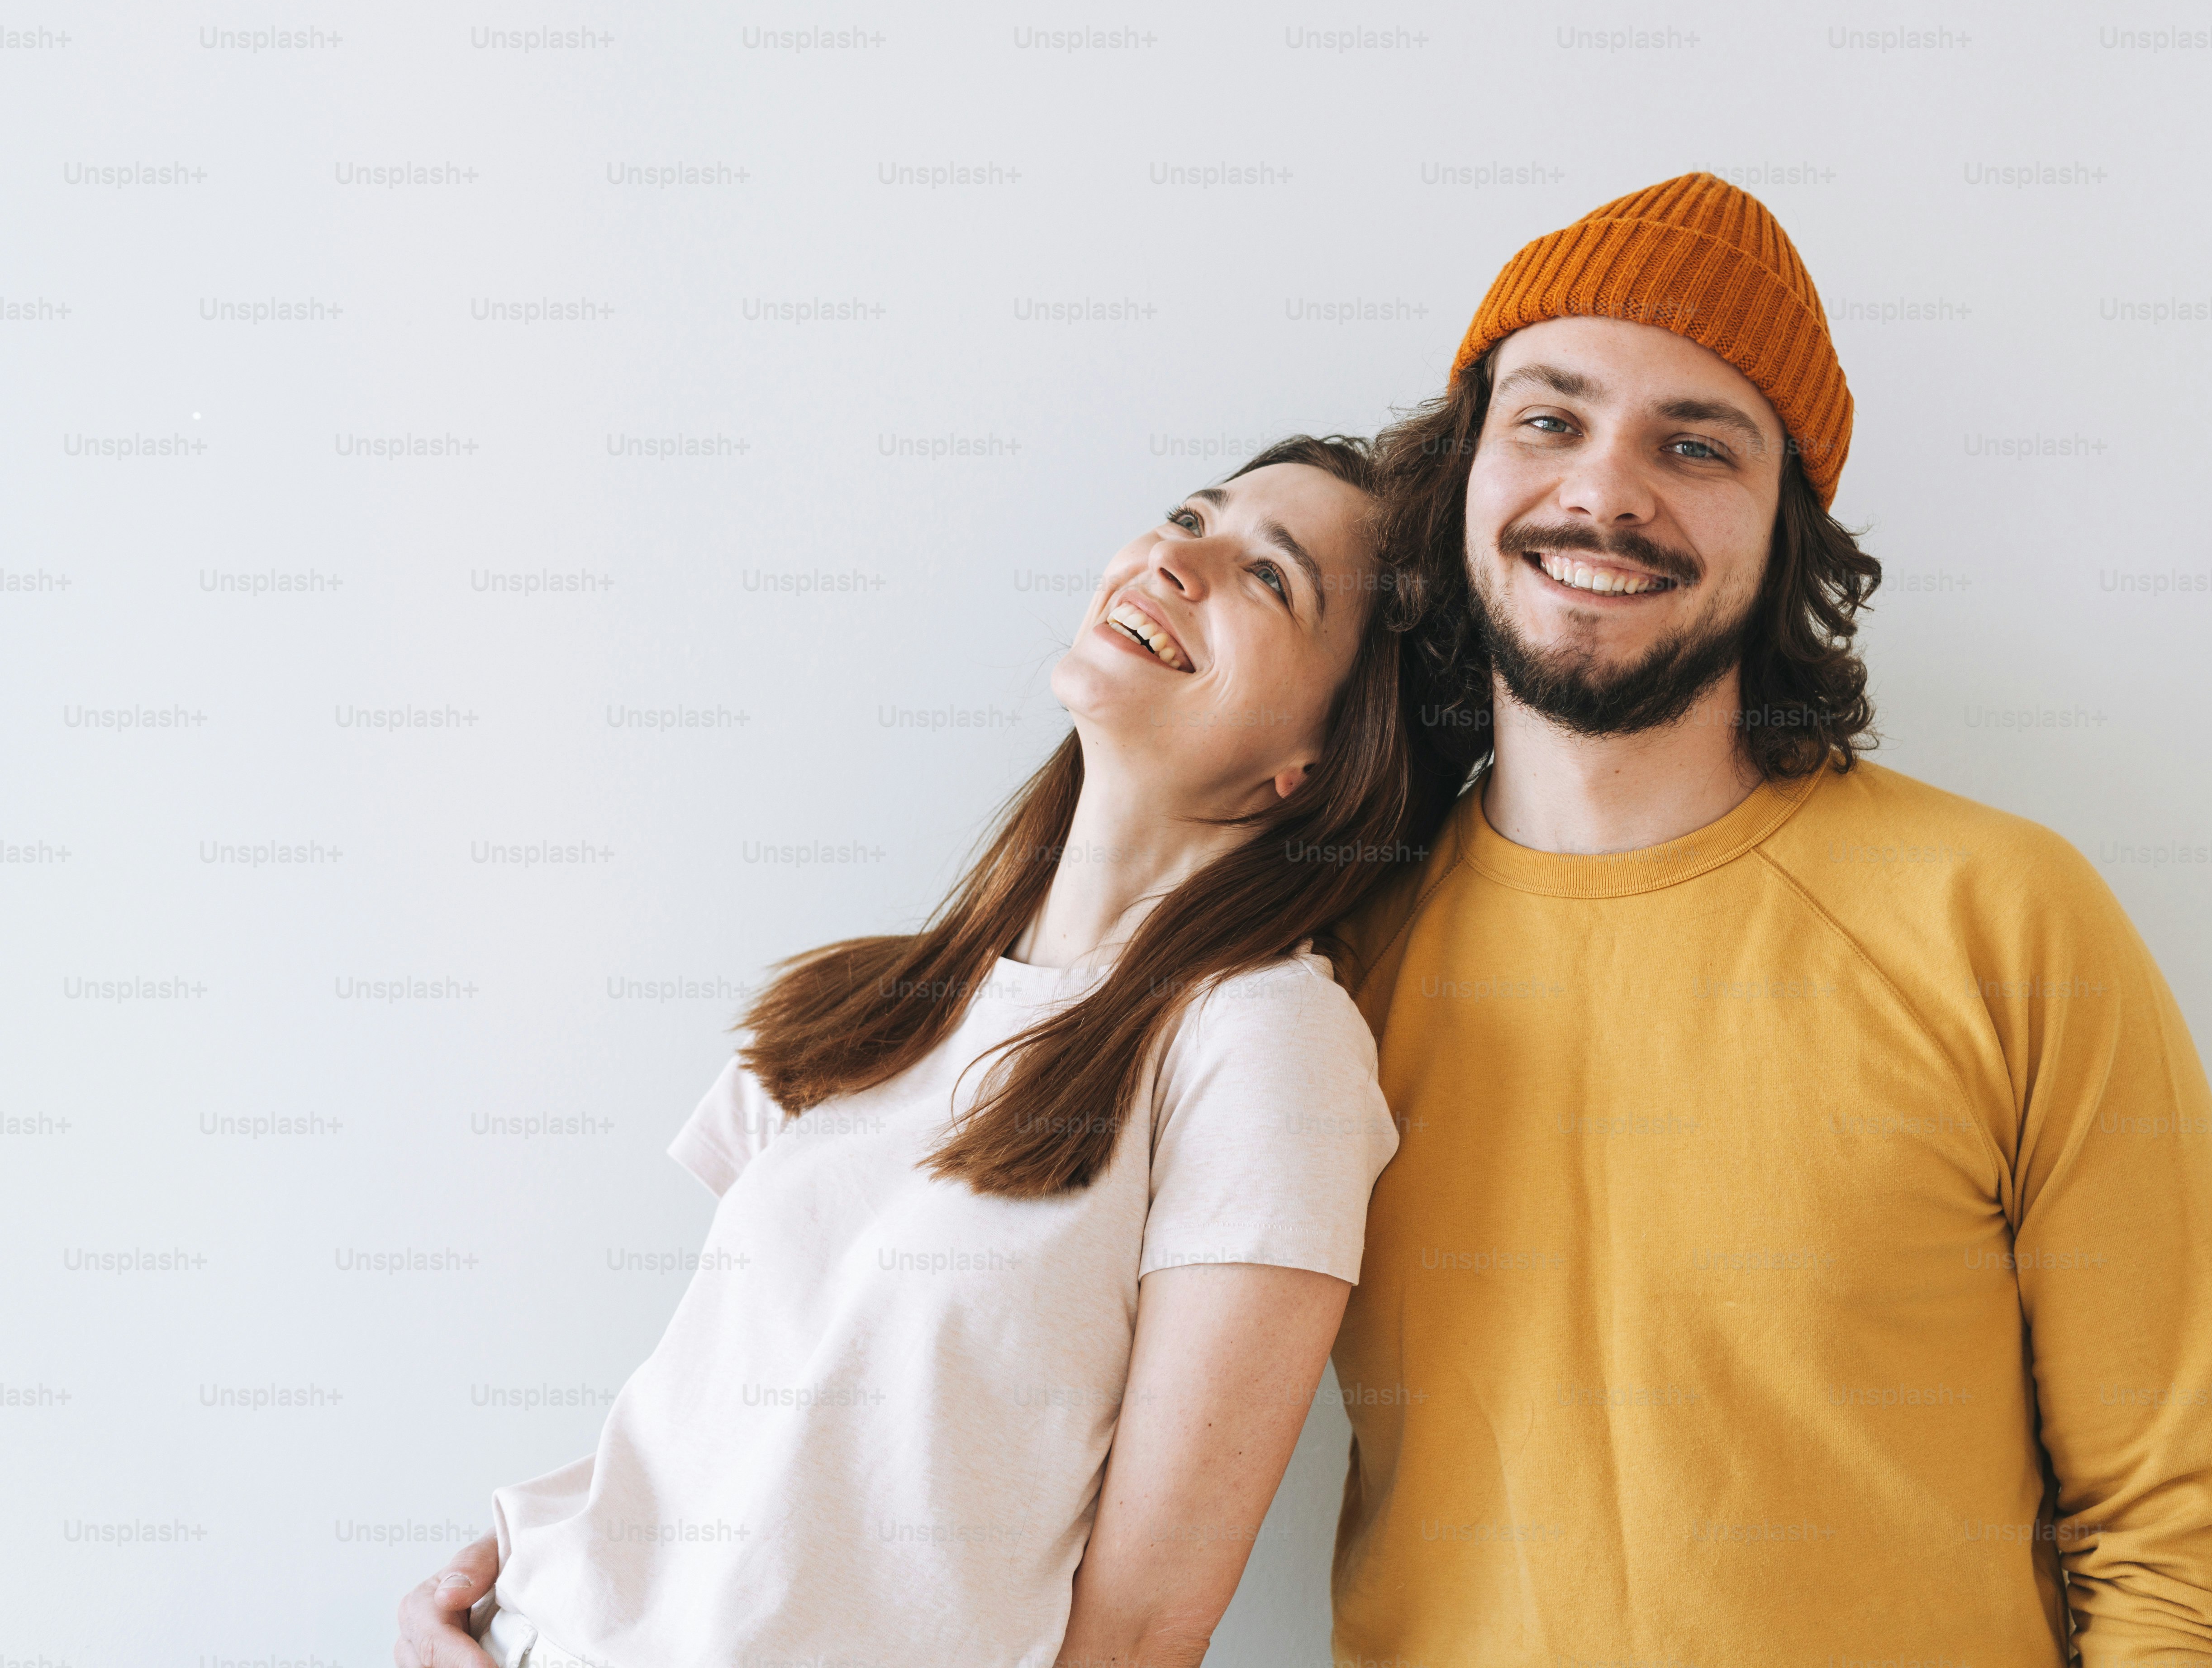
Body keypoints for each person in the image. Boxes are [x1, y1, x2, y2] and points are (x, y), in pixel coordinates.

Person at [1327, 174, 2212, 1663]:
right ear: (1462, 472)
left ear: (1786, 530)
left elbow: (2182, 1550)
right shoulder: (1324, 975)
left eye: (1696, 443)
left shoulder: (2005, 921)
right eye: (1548, 418)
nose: (1605, 492)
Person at [395, 438, 1460, 1668]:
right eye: (1187, 514)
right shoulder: (869, 1007)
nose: (1176, 556)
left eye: (1269, 577)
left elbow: (1139, 1635)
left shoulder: (1264, 1041)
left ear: (1327, 757)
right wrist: (494, 1584)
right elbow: (744, 1433)